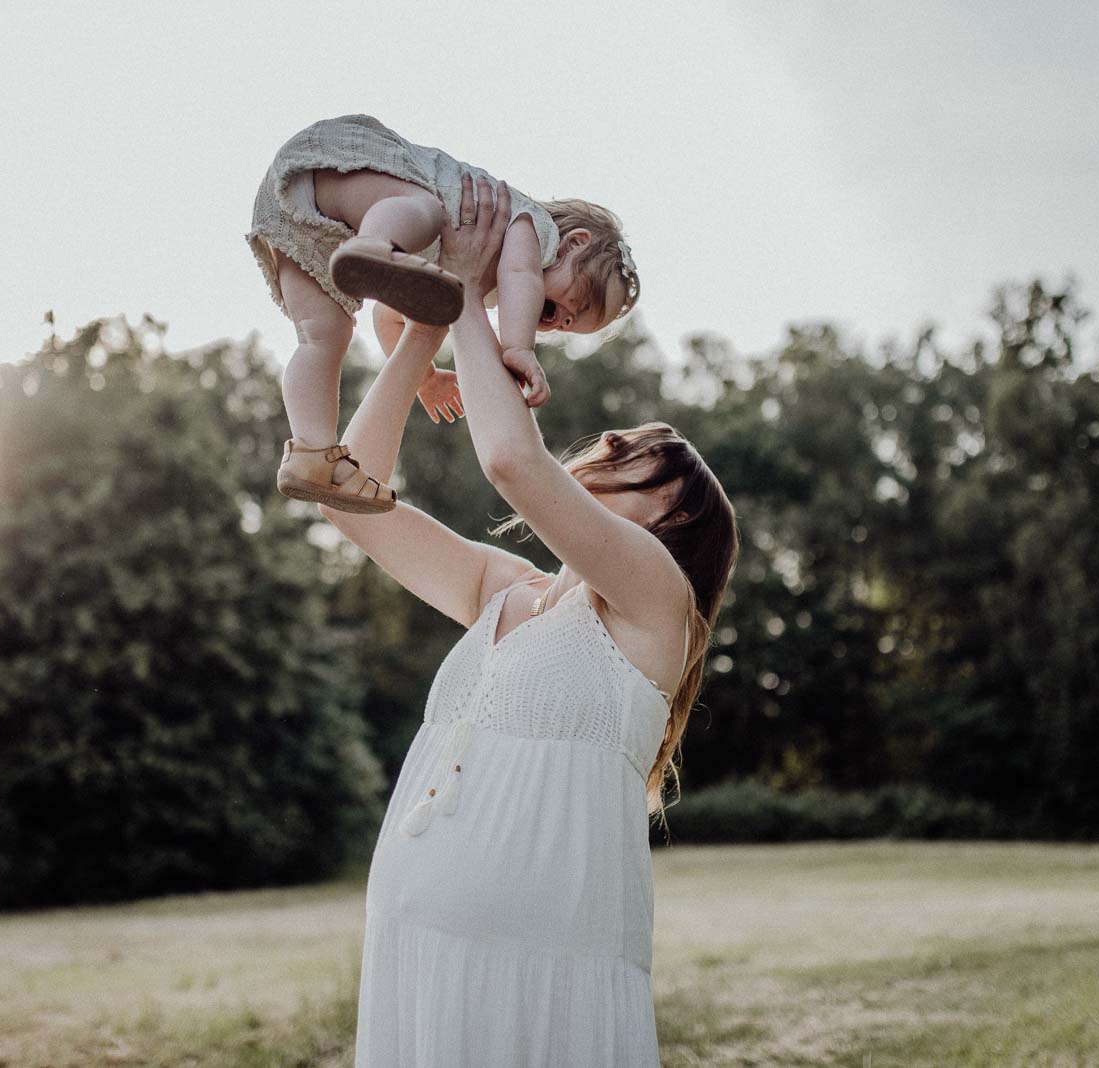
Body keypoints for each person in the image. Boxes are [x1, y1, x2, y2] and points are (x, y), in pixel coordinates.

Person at [317, 173, 737, 1066]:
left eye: (644, 457)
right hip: (416, 955)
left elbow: (510, 457)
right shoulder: (505, 589)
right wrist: (420, 333)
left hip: (542, 982)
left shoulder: (656, 603)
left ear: (674, 522)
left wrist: (466, 288)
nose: (613, 441)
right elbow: (347, 500)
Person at [246, 113, 639, 514]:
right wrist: (518, 348)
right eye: (582, 300)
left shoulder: (466, 276)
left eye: (572, 325)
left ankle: (311, 450)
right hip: (341, 164)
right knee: (423, 208)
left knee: (322, 336)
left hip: (293, 213)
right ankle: (374, 243)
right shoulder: (529, 227)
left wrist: (427, 378)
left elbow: (389, 316)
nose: (565, 320)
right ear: (574, 243)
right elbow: (521, 275)